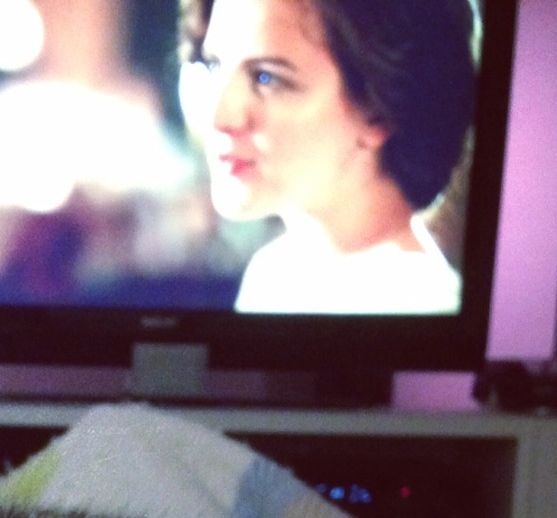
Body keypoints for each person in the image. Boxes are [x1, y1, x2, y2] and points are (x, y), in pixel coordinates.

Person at [179, 0, 478, 313]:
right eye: (213, 65)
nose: (219, 117)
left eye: (267, 78)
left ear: (378, 110)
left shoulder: (423, 301)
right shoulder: (273, 273)